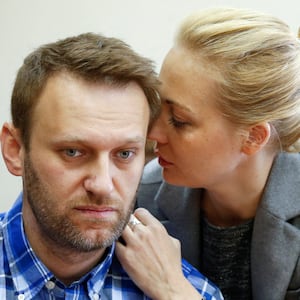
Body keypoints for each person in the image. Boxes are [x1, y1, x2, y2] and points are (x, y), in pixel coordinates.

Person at [0, 33, 223, 299]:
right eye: (73, 152)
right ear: (15, 150)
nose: (103, 185)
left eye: (125, 154)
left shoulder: (191, 292)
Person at [134, 7, 300, 300]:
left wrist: (174, 290)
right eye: (159, 108)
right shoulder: (140, 197)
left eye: (180, 120)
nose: (152, 133)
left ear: (253, 137)